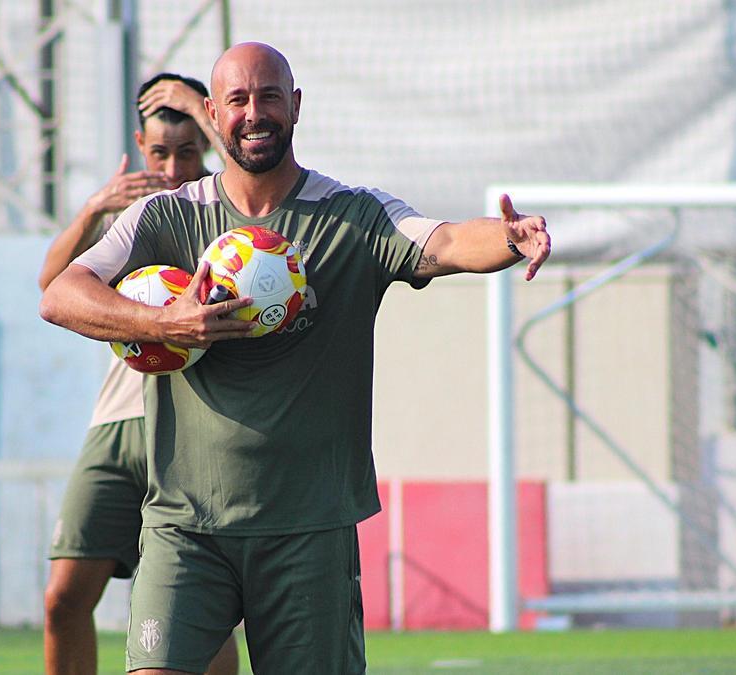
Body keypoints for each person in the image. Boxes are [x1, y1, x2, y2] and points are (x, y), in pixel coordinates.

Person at [40, 42, 550, 674]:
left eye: (270, 97)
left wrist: (507, 236)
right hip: (185, 527)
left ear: (296, 106)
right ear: (213, 113)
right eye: (238, 100)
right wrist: (162, 321)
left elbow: (442, 241)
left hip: (310, 531)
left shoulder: (351, 217)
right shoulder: (167, 216)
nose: (255, 114)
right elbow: (61, 294)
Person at [38, 73, 238, 675]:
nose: (173, 168)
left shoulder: (220, 209)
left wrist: (203, 117)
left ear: (206, 143)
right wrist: (94, 207)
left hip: (186, 430)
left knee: (194, 611)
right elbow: (51, 286)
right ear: (138, 147)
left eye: (188, 151)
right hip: (113, 426)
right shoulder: (127, 218)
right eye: (159, 152)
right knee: (63, 598)